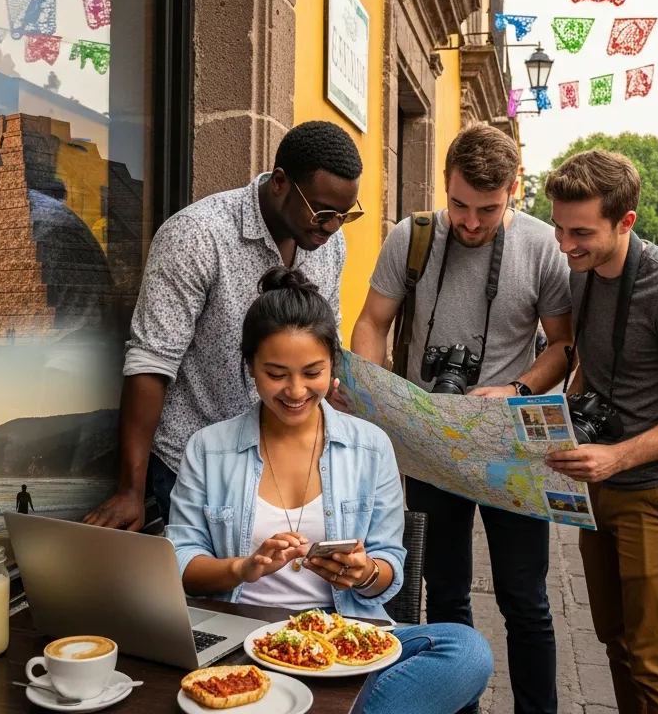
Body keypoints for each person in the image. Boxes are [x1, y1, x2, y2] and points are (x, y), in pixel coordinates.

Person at [167, 267, 493, 714]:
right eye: (276, 373)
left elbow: (388, 566)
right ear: (250, 367)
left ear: (333, 367)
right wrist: (243, 568)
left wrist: (362, 572)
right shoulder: (208, 448)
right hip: (240, 640)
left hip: (345, 639)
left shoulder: (369, 445)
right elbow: (181, 562)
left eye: (312, 372)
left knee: (467, 651)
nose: (296, 391)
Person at [349, 125, 572, 714]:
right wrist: (375, 396)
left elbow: (563, 347)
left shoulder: (544, 245)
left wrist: (517, 390)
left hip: (509, 442)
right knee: (443, 591)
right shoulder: (412, 237)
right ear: (443, 186)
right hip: (429, 438)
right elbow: (372, 322)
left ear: (514, 190)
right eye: (459, 206)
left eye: (488, 210)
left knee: (525, 599)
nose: (471, 223)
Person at [86, 121, 364, 532]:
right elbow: (151, 362)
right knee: (210, 591)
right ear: (281, 183)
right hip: (195, 466)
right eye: (323, 213)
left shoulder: (328, 242)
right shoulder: (197, 235)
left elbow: (328, 337)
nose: (332, 227)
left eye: (344, 215)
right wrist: (131, 488)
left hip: (284, 463)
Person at [542, 149, 658, 714]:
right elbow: (591, 365)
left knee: (656, 659)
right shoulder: (584, 272)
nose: (564, 244)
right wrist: (556, 417)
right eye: (558, 226)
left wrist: (617, 457)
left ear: (626, 222)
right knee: (617, 643)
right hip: (601, 488)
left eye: (580, 232)